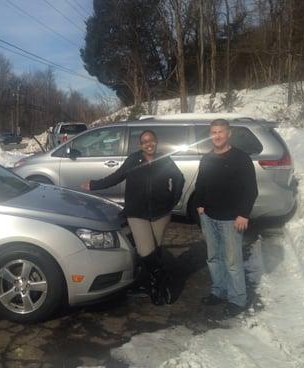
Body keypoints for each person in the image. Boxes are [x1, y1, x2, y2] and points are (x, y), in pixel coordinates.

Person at [81, 130, 184, 304]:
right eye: (144, 141)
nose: (148, 144)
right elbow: (117, 177)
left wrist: (171, 202)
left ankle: (152, 286)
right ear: (140, 145)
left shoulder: (165, 159)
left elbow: (179, 179)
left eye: (151, 140)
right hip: (137, 212)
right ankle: (161, 279)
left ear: (156, 142)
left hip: (160, 213)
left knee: (156, 250)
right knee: (146, 251)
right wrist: (94, 184)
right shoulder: (133, 160)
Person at [194, 119, 258, 317]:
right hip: (209, 216)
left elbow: (251, 189)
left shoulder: (241, 158)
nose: (217, 135)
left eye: (221, 131)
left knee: (232, 261)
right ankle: (219, 291)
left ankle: (237, 299)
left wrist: (243, 214)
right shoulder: (206, 158)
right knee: (214, 257)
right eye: (213, 132)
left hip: (231, 218)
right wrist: (200, 205)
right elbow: (200, 183)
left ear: (228, 134)